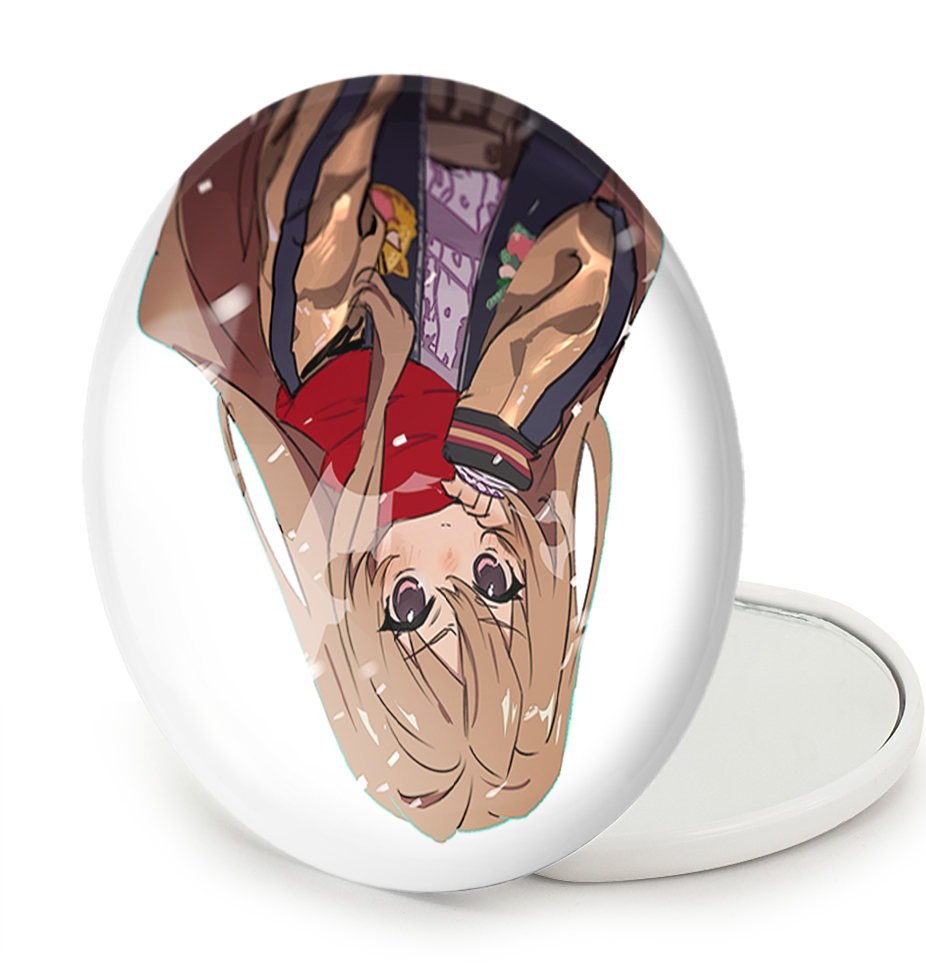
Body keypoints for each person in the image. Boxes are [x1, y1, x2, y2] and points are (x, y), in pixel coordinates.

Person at [139, 75, 662, 841]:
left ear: (357, 619)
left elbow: (312, 191)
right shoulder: (524, 431)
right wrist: (499, 428)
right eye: (492, 584)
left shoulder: (318, 394)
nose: (451, 552)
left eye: (411, 605)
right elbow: (600, 243)